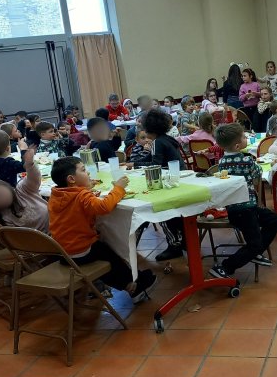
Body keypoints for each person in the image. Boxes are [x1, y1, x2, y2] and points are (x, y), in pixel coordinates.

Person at [48, 156, 156, 303]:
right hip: (81, 250)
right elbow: (104, 207)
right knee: (112, 254)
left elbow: (75, 206)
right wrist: (119, 188)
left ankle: (130, 283)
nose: (88, 173)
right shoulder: (81, 195)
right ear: (71, 179)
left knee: (104, 252)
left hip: (62, 252)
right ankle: (133, 285)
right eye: (84, 170)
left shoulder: (56, 195)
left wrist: (86, 189)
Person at [209, 122, 277, 279]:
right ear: (236, 146)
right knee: (256, 241)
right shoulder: (247, 160)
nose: (245, 137)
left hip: (235, 210)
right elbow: (258, 174)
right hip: (246, 210)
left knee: (273, 220)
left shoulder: (221, 163)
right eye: (243, 137)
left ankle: (254, 253)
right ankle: (226, 267)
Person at [143, 109, 186, 261]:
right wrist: (133, 163)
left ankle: (174, 245)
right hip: (181, 178)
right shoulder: (166, 139)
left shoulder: (157, 143)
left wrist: (135, 166)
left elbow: (156, 166)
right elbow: (153, 160)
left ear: (149, 129)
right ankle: (183, 240)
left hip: (169, 181)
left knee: (160, 211)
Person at [0, 148, 49, 232]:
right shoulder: (5, 218)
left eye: (1, 192)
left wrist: (30, 165)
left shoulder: (21, 190)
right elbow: (17, 239)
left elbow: (34, 179)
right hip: (40, 241)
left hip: (53, 226)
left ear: (7, 186)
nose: (1, 197)